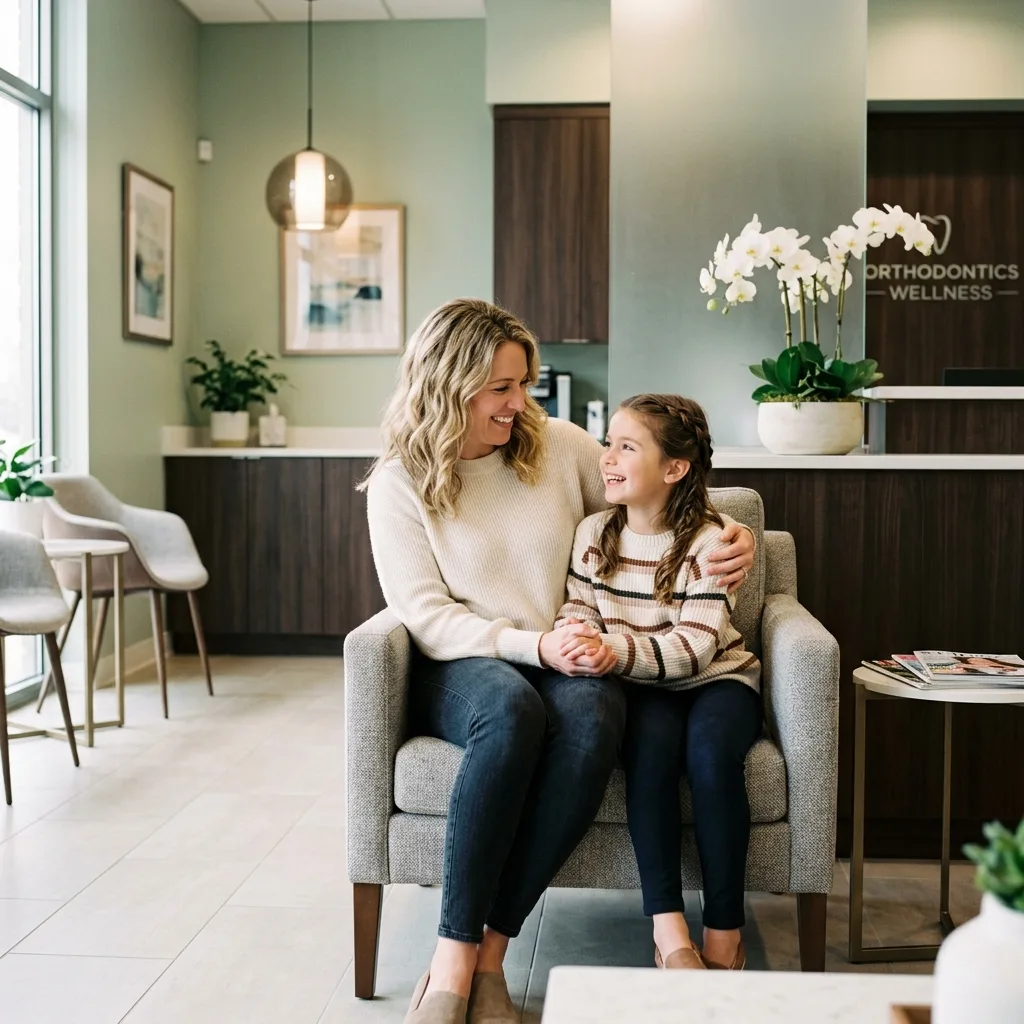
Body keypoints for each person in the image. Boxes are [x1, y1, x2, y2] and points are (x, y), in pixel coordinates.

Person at [363, 300, 756, 1024]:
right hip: (463, 663)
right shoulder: (398, 484)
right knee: (512, 712)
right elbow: (424, 615)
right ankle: (451, 959)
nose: (521, 404)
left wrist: (733, 533)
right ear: (450, 385)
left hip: (562, 654)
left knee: (599, 709)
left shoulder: (556, 446)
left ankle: (491, 952)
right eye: (502, 389)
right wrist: (530, 645)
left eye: (524, 384)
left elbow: (660, 497)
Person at [555, 394, 762, 971]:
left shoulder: (712, 541)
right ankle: (669, 933)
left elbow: (696, 650)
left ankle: (724, 930)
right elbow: (580, 607)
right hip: (643, 687)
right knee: (650, 757)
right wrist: (579, 636)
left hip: (718, 681)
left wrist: (611, 650)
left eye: (628, 446)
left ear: (674, 470)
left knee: (712, 757)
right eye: (608, 442)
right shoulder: (594, 533)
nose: (608, 457)